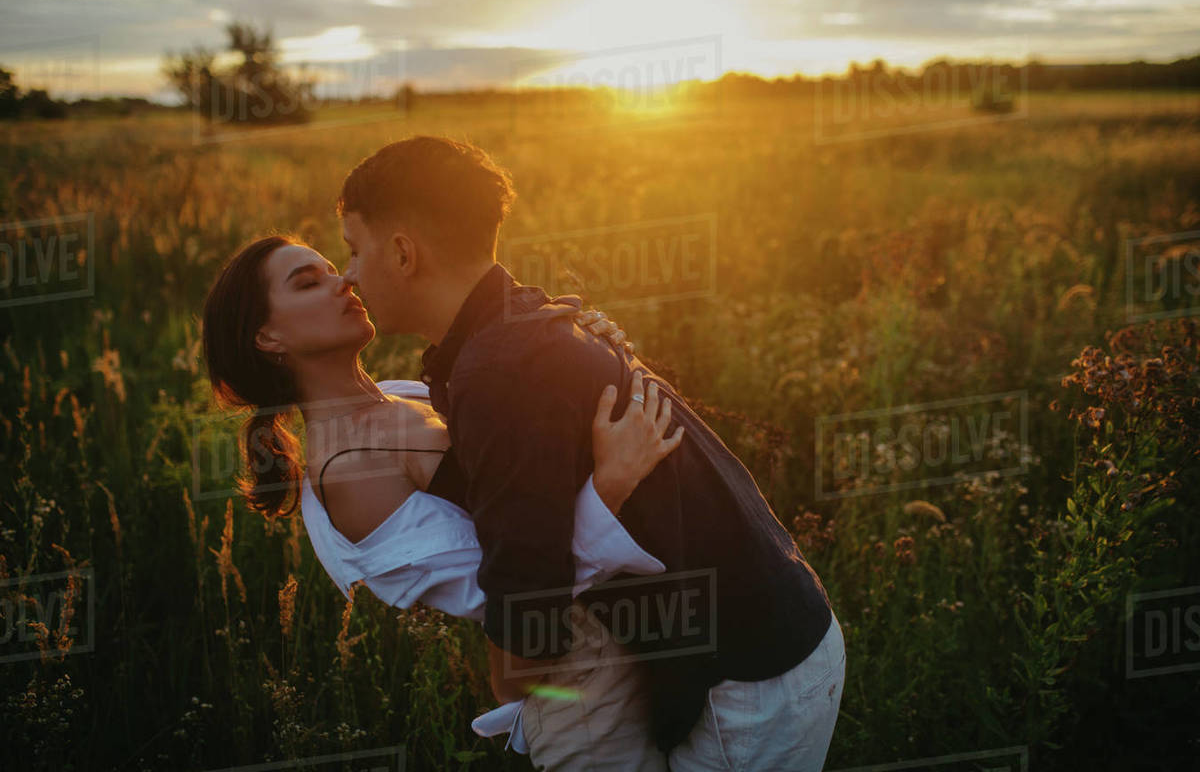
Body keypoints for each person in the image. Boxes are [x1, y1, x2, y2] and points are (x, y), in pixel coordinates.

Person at [335, 135, 846, 770]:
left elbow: (531, 627)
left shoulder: (501, 370)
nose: (348, 275)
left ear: (405, 253)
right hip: (766, 632)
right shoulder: (511, 323)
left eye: (354, 251)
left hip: (749, 680)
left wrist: (509, 686)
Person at [200, 234, 682, 765]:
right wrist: (610, 485)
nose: (346, 281)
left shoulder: (402, 393)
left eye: (334, 266)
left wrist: (577, 353)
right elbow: (511, 593)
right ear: (267, 337)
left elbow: (527, 477)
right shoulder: (348, 469)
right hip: (580, 688)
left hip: (635, 635)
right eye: (309, 283)